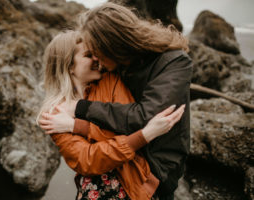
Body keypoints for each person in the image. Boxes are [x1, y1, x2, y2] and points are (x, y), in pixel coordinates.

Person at [50, 3, 193, 200]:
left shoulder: (174, 62)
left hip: (156, 165)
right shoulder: (113, 70)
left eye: (96, 52)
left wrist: (78, 115)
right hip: (124, 163)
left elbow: (143, 117)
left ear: (112, 45)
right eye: (89, 54)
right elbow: (91, 154)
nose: (97, 61)